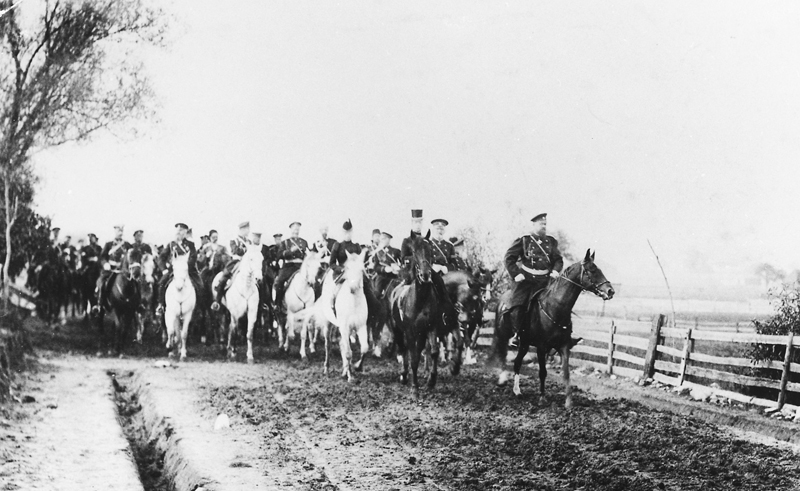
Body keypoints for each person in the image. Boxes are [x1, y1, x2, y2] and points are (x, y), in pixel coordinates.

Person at [503, 213, 563, 348]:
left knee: (558, 304)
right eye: (541, 224)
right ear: (534, 225)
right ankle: (516, 335)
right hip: (526, 280)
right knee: (518, 304)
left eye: (545, 224)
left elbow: (558, 259)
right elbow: (509, 258)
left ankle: (559, 336)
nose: (544, 227)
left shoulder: (551, 241)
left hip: (545, 281)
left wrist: (555, 271)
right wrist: (516, 274)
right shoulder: (524, 240)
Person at [156, 223, 201, 315]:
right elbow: (161, 258)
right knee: (161, 283)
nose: (178, 232)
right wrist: (164, 269)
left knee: (200, 285)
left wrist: (186, 266)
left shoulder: (190, 244)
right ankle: (161, 305)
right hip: (173, 270)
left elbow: (193, 257)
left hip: (188, 270)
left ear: (185, 233)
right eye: (177, 231)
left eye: (181, 231)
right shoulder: (171, 244)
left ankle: (199, 308)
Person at [211, 221, 252, 310]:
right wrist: (246, 250)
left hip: (248, 262)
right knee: (225, 276)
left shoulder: (249, 241)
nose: (248, 232)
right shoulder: (234, 240)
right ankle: (217, 301)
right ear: (242, 230)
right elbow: (236, 250)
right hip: (236, 261)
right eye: (247, 230)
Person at [92, 224, 132, 315]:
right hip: (111, 270)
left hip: (124, 271)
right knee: (101, 282)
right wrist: (105, 263)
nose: (120, 233)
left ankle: (138, 305)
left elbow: (132, 257)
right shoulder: (109, 244)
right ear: (115, 231)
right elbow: (102, 257)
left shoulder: (127, 245)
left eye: (121, 231)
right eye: (118, 231)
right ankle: (99, 305)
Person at [273, 221, 308, 310]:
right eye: (294, 229)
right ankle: (277, 304)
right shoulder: (285, 243)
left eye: (297, 229)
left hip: (300, 267)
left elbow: (307, 255)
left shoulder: (304, 242)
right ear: (291, 229)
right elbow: (279, 255)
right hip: (289, 267)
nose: (296, 231)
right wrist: (290, 251)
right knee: (280, 281)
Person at [373, 232, 401, 297]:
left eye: (384, 239)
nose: (382, 240)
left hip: (394, 276)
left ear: (389, 239)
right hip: (382, 277)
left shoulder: (395, 251)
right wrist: (384, 269)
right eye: (381, 239)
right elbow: (376, 267)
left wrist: (398, 267)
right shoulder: (378, 252)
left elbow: (403, 263)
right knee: (376, 294)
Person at [400, 209, 424, 283]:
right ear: (412, 223)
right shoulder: (407, 241)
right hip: (411, 271)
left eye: (420, 222)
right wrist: (417, 258)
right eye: (416, 222)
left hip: (425, 270)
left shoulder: (425, 240)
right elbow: (404, 258)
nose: (418, 225)